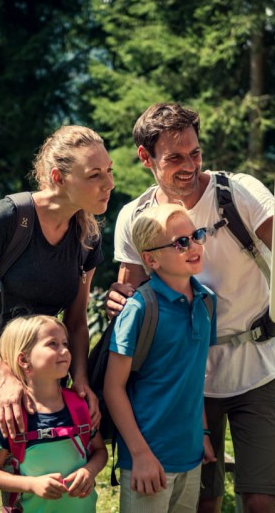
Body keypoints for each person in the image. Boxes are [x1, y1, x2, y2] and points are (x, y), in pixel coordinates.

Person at [106, 103, 275, 513]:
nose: (189, 165)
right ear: (145, 157)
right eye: (174, 157)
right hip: (186, 380)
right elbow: (132, 293)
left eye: (195, 153)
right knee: (202, 503)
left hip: (256, 367)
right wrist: (117, 299)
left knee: (261, 500)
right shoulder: (134, 217)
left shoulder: (237, 192)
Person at [0, 125, 114, 512]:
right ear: (58, 177)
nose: (109, 183)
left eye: (109, 171)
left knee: (27, 505)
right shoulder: (9, 217)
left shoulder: (88, 236)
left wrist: (81, 379)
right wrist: (3, 378)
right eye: (95, 175)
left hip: (43, 390)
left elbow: (76, 319)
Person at [104, 204, 217, 513]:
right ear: (151, 259)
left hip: (190, 455)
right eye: (181, 243)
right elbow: (113, 388)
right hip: (147, 460)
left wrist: (204, 433)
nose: (193, 246)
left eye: (196, 236)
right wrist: (140, 455)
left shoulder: (207, 301)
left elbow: (193, 377)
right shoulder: (139, 308)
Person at [0, 314, 108, 512]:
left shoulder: (78, 406)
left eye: (65, 344)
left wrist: (89, 471)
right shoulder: (13, 416)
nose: (65, 350)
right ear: (24, 359)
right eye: (53, 344)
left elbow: (100, 451)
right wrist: (31, 484)